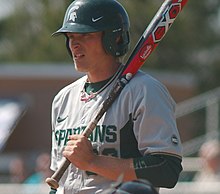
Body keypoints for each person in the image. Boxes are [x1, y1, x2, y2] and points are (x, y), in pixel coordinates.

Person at [50, 0, 183, 193]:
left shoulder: (144, 90)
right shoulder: (63, 99)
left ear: (115, 39)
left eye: (85, 35)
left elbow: (166, 169)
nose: (74, 44)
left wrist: (93, 161)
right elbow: (58, 177)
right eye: (70, 36)